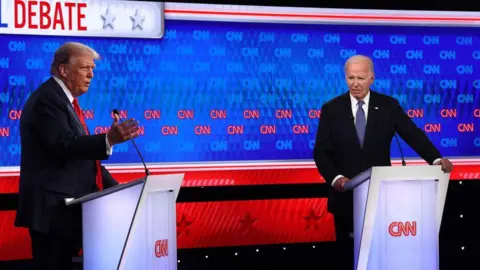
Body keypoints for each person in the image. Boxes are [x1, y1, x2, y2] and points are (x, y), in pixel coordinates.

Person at [313, 55, 453, 269]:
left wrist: (435, 158)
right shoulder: (332, 109)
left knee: (381, 255)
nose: (355, 83)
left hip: (381, 197)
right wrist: (336, 179)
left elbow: (411, 134)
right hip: (345, 198)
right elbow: (321, 152)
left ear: (372, 78)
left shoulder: (387, 106)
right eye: (350, 77)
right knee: (346, 257)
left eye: (360, 77)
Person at [14, 42, 140, 270]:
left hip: (65, 214)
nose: (91, 74)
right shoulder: (47, 100)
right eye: (85, 68)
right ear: (63, 69)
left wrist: (122, 190)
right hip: (52, 214)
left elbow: (85, 161)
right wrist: (108, 140)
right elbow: (64, 146)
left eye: (92, 69)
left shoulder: (66, 102)